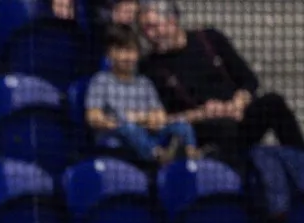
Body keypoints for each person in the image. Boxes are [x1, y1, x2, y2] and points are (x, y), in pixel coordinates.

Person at [139, 0, 304, 163]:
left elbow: (249, 80)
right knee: (224, 127)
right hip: (201, 128)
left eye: (153, 26)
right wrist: (204, 113)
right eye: (144, 29)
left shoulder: (210, 39)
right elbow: (164, 118)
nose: (149, 35)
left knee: (273, 103)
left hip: (237, 115)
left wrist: (237, 103)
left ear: (172, 21)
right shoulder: (150, 67)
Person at [85, 24, 200, 165]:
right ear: (110, 53)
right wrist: (118, 123)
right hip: (119, 135)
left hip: (146, 131)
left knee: (182, 125)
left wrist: (145, 119)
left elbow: (160, 115)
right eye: (122, 50)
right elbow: (93, 117)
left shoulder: (144, 83)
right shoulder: (100, 81)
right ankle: (160, 157)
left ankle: (192, 158)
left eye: (132, 51)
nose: (128, 57)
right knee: (130, 128)